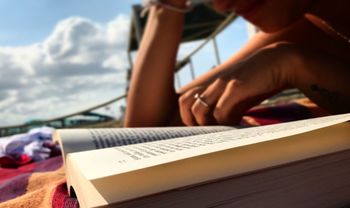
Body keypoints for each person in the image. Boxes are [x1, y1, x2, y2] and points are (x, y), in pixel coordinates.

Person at [124, 0, 350, 127]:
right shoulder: (298, 29)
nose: (221, 5)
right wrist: (167, 6)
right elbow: (149, 127)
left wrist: (297, 66)